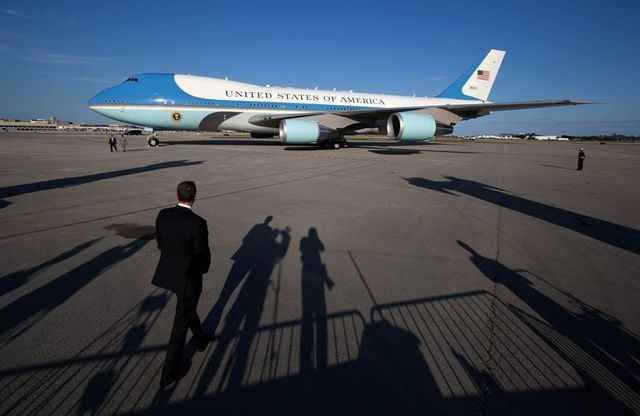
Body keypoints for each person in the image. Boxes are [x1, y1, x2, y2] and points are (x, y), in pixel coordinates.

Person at [152, 181, 212, 388]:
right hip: (189, 277)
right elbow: (202, 253)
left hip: (171, 272)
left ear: (176, 196)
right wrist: (202, 270)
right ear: (194, 197)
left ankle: (202, 338)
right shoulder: (197, 223)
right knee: (180, 323)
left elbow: (159, 241)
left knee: (187, 307)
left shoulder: (163, 214)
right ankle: (169, 372)